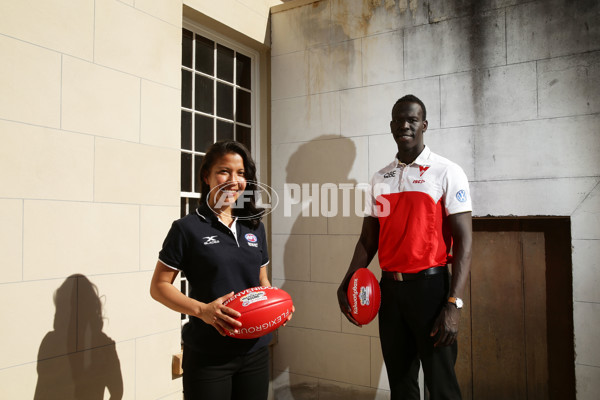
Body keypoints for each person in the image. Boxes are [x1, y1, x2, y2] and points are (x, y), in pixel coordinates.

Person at [337, 95, 472, 400]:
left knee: (441, 385)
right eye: (399, 120)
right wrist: (348, 280)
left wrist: (455, 303)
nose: (405, 125)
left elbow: (465, 242)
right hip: (390, 292)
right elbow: (367, 240)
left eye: (412, 119)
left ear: (424, 125)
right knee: (400, 383)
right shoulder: (379, 177)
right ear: (391, 126)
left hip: (432, 290)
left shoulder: (447, 171)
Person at [151, 140, 290, 400]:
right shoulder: (187, 228)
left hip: (255, 351)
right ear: (207, 176)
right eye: (223, 171)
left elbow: (262, 281)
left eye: (241, 173)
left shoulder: (254, 227)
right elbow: (159, 287)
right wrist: (202, 311)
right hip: (208, 354)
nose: (233, 180)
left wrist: (277, 305)